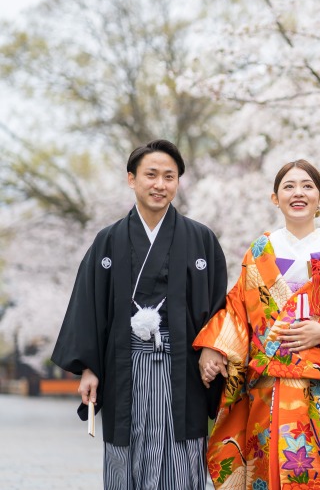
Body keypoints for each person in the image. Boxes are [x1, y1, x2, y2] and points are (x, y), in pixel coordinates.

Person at [51, 139, 228, 489]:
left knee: (182, 454)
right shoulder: (108, 241)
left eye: (169, 176)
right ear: (131, 179)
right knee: (125, 454)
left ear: (178, 182)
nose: (159, 185)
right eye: (151, 175)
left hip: (184, 371)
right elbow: (89, 306)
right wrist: (88, 367)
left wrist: (213, 345)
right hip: (124, 368)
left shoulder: (201, 240)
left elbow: (222, 306)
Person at [195, 160, 320, 490]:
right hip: (270, 386)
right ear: (275, 198)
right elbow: (237, 306)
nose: (298, 193)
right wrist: (213, 346)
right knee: (269, 469)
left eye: (307, 186)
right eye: (289, 186)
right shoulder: (261, 250)